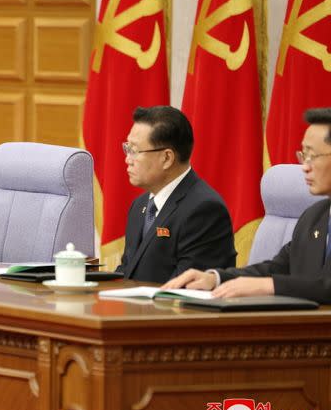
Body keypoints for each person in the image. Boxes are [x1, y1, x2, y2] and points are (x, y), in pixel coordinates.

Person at [163, 108, 331, 304]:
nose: (305, 166)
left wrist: (270, 286)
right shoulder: (315, 216)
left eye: (313, 156)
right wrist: (215, 279)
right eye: (304, 155)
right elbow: (275, 269)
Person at [116, 106, 236, 283]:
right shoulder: (140, 205)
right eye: (127, 147)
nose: (128, 159)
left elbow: (186, 288)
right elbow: (128, 270)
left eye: (135, 150)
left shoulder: (204, 210)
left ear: (167, 158)